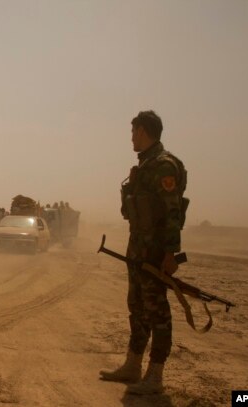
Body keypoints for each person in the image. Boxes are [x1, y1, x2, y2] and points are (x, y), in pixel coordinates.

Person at [99, 110, 188, 395]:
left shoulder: (163, 166)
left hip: (155, 251)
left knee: (157, 310)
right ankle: (133, 365)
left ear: (143, 131)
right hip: (137, 248)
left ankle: (155, 376)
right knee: (137, 307)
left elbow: (173, 213)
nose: (131, 137)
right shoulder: (145, 166)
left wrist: (171, 254)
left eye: (133, 131)